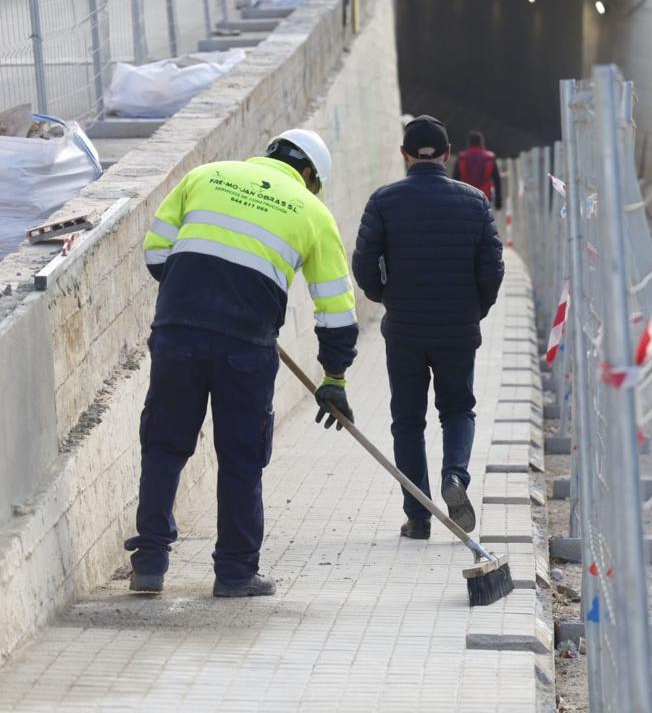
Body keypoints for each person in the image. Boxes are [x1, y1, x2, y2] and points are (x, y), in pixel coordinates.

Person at [126, 129, 358, 597]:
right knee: (241, 458)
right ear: (310, 174)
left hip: (178, 331)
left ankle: (149, 563)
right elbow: (336, 309)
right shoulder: (312, 211)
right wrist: (334, 377)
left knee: (164, 446)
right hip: (246, 349)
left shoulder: (206, 175)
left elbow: (156, 254)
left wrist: (200, 294)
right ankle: (234, 573)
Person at [351, 115, 505, 540]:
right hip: (458, 328)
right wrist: (478, 308)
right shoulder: (475, 202)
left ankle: (418, 515)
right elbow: (492, 267)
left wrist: (383, 296)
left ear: (404, 156)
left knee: (407, 419)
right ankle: (454, 477)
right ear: (448, 155)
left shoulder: (383, 201)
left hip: (404, 328)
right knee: (457, 410)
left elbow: (363, 263)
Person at [453, 130, 503, 210]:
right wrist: (498, 202)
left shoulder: (462, 157)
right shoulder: (490, 157)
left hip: (466, 198)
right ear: (482, 142)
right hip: (485, 198)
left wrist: (455, 201)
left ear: (469, 143)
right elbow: (497, 181)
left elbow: (455, 181)